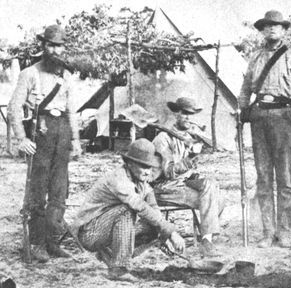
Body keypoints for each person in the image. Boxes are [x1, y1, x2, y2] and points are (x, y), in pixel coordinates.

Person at [7, 24, 82, 262]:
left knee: (60, 192)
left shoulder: (67, 76)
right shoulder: (30, 73)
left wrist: (76, 141)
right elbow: (13, 108)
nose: (55, 50)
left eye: (59, 45)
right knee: (37, 194)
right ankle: (37, 243)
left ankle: (52, 242)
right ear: (43, 46)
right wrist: (21, 138)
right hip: (41, 134)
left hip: (62, 136)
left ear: (64, 48)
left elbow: (72, 112)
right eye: (51, 45)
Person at [237, 10, 291, 248]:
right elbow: (245, 89)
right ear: (263, 30)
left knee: (285, 179)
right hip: (259, 118)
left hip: (284, 118)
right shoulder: (256, 58)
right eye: (267, 26)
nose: (271, 29)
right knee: (263, 177)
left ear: (284, 30)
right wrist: (242, 113)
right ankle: (268, 232)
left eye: (276, 26)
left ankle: (285, 231)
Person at [71, 139, 185, 281]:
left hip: (106, 228)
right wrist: (171, 231)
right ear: (130, 163)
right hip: (89, 233)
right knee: (127, 210)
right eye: (143, 166)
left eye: (150, 167)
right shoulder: (119, 179)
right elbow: (139, 206)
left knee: (153, 225)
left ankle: (110, 253)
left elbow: (153, 207)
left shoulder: (141, 180)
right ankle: (118, 269)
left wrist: (165, 233)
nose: (148, 172)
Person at [152, 97, 223, 257]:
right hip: (165, 188)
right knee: (212, 199)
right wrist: (190, 158)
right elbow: (168, 172)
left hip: (182, 184)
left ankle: (206, 236)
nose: (189, 117)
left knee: (217, 193)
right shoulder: (163, 138)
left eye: (192, 114)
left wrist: (194, 169)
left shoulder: (190, 137)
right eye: (184, 113)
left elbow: (188, 171)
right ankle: (206, 240)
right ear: (176, 114)